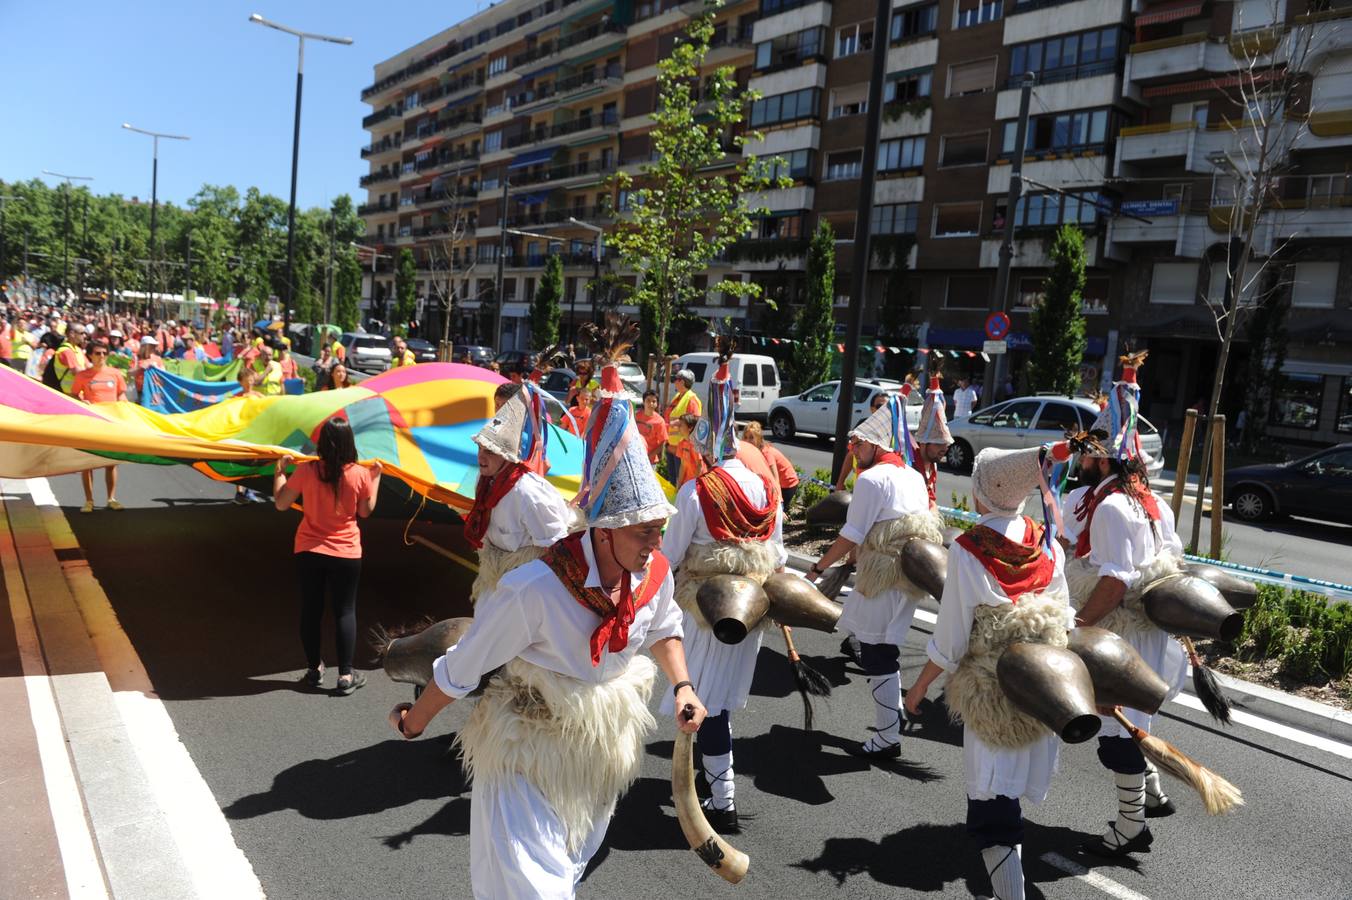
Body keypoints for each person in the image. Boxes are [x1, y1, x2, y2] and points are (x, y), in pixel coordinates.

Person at [388, 328, 704, 900]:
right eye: (642, 531)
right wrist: (416, 722)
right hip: (523, 755)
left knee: (565, 874)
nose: (654, 543)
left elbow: (665, 629)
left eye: (659, 530)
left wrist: (682, 686)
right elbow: (462, 668)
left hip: (597, 760)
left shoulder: (652, 573)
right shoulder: (532, 592)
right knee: (535, 891)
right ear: (604, 531)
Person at [906, 445, 1073, 900]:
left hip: (992, 691)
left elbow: (953, 637)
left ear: (984, 490)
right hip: (1040, 690)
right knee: (1009, 798)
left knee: (992, 811)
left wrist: (919, 686)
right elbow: (1065, 615)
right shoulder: (1046, 542)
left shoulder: (967, 549)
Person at [1063, 353, 1187, 857]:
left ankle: (1132, 826)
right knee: (1133, 721)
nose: (1082, 459)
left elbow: (1114, 581)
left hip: (1121, 636)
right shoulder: (1152, 501)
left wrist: (1075, 627)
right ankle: (1152, 795)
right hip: (1146, 634)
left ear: (1104, 458)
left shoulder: (1113, 506)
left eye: (1089, 452)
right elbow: (1173, 558)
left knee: (1115, 732)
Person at [659, 344, 784, 833]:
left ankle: (722, 800)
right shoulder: (763, 488)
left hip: (703, 607)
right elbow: (776, 552)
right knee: (723, 700)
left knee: (700, 699)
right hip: (749, 607)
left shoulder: (696, 491)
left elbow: (669, 557)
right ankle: (715, 786)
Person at [805, 394, 940, 758]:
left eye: (856, 444)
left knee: (878, 654)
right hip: (907, 579)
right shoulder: (912, 475)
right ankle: (890, 723)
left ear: (873, 444)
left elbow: (852, 534)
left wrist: (818, 569)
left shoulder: (872, 480)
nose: (853, 450)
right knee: (883, 650)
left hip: (881, 578)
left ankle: (887, 736)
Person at [272, 418, 383, 695]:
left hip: (309, 549)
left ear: (322, 443)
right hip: (346, 551)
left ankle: (314, 669)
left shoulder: (308, 470)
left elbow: (281, 503)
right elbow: (366, 511)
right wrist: (376, 477)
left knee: (311, 609)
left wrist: (279, 472)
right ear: (350, 443)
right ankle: (345, 675)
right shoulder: (359, 473)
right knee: (344, 611)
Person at [463, 382, 575, 603]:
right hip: (494, 579)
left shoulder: (529, 494)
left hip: (525, 590)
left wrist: (527, 590)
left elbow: (557, 548)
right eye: (479, 448)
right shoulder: (484, 480)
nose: (481, 457)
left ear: (507, 456)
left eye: (490, 451)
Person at [70, 341, 127, 513]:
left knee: (110, 463)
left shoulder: (115, 374)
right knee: (88, 463)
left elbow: (121, 393)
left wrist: (124, 405)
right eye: (97, 353)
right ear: (90, 355)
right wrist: (81, 401)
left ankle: (111, 498)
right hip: (91, 423)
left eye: (104, 353)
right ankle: (89, 501)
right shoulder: (82, 376)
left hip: (110, 423)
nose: (101, 356)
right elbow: (73, 394)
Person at [834, 390, 891, 490]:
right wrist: (840, 482)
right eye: (880, 406)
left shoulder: (896, 431)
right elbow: (851, 455)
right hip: (862, 485)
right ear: (872, 409)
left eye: (887, 407)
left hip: (884, 489)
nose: (883, 410)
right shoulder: (862, 426)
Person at [743, 420, 800, 508]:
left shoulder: (766, 453)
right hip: (778, 483)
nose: (748, 441)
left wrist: (779, 502)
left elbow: (775, 479)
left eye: (751, 437)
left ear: (758, 438)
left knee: (777, 511)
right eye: (745, 437)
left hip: (787, 483)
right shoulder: (753, 451)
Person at [664, 369, 702, 479]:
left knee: (680, 479)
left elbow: (694, 422)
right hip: (672, 445)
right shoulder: (678, 396)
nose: (674, 382)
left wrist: (678, 423)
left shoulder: (692, 399)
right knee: (672, 479)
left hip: (682, 447)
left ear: (682, 382)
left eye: (676, 379)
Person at [633, 389, 668, 465]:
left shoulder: (660, 421)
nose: (651, 403)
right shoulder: (635, 416)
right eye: (648, 400)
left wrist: (648, 457)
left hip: (650, 461)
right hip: (635, 458)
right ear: (643, 402)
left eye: (654, 401)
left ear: (657, 404)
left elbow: (663, 442)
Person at [52, 325, 89, 394]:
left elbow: (89, 366)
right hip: (68, 394)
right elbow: (78, 372)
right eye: (82, 333)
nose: (85, 336)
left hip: (79, 393)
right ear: (72, 334)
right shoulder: (66, 351)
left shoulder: (78, 349)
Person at [671, 414, 703, 487]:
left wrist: (693, 485)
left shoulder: (696, 444)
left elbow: (699, 466)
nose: (678, 427)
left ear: (690, 428)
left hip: (697, 484)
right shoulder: (681, 443)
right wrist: (679, 484)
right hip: (687, 482)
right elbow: (683, 465)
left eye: (681, 425)